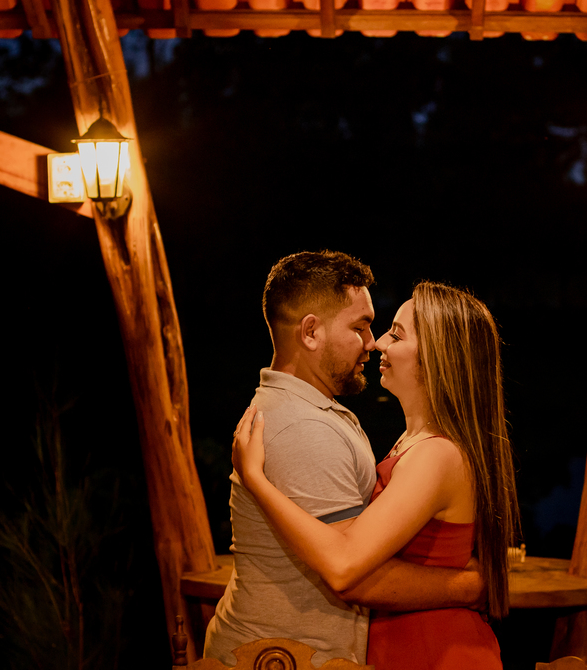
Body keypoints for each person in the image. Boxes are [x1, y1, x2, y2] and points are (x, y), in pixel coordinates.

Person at [203, 252, 486, 668]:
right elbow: (349, 572)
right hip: (279, 657)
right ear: (310, 332)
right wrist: (470, 586)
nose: (374, 342)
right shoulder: (304, 428)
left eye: (390, 333)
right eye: (360, 327)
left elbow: (348, 561)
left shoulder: (322, 415)